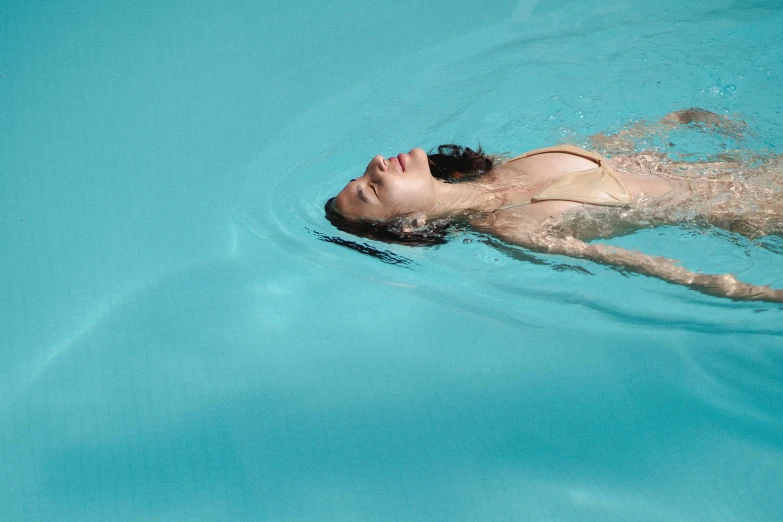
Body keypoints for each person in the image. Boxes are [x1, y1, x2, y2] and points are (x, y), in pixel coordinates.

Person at [325, 109, 783, 302]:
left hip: (759, 169)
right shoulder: (512, 229)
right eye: (371, 188)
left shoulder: (498, 170)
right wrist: (755, 292)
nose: (376, 164)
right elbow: (640, 264)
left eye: (361, 175)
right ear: (412, 224)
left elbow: (615, 149)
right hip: (761, 214)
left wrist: (676, 119)